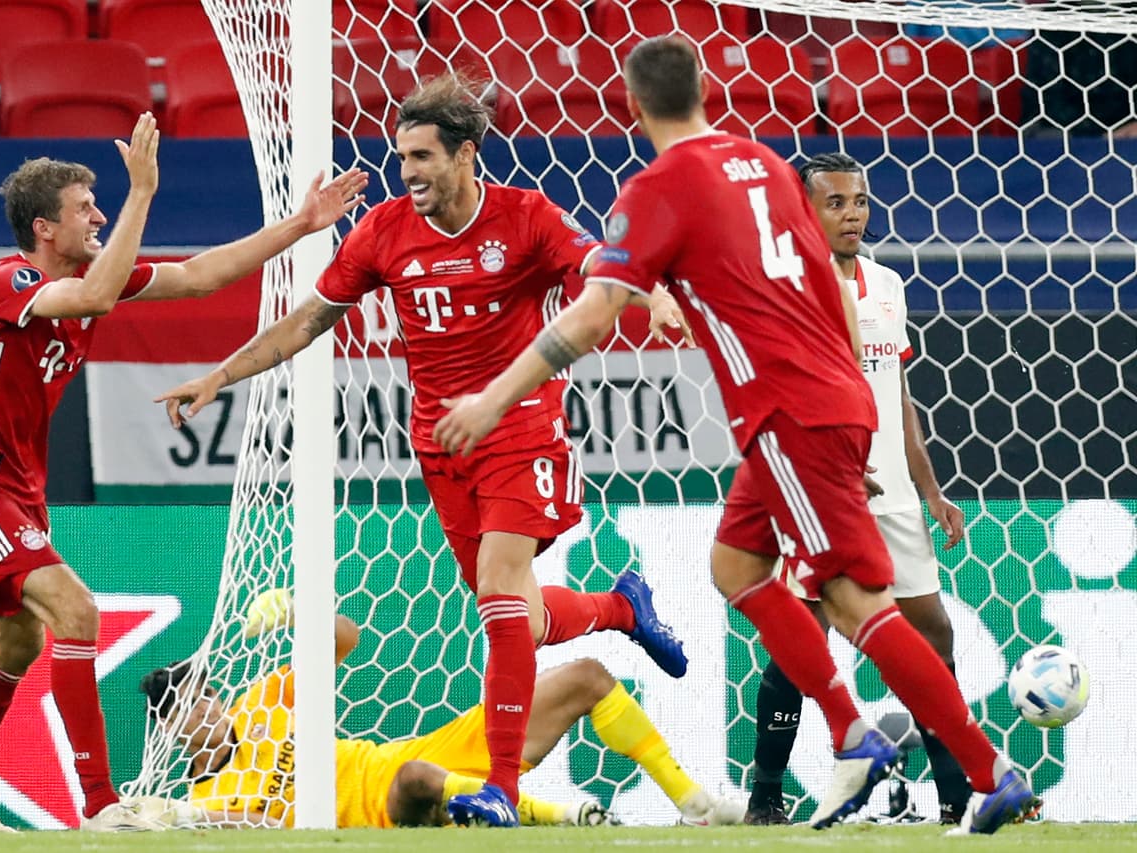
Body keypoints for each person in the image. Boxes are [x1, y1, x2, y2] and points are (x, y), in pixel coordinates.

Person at [431, 36, 1039, 835]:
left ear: (631, 102)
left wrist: (491, 397)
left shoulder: (657, 188)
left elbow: (593, 313)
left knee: (855, 602)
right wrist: (854, 406)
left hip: (791, 410)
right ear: (707, 90)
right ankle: (853, 729)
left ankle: (983, 768)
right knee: (735, 564)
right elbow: (832, 280)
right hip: (829, 399)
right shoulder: (765, 161)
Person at [155, 73, 693, 828]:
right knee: (516, 613)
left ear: (466, 154)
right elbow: (308, 320)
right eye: (400, 157)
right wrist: (220, 375)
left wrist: (655, 295)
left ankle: (500, 790)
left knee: (503, 593)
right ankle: (619, 607)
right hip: (443, 441)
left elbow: (603, 271)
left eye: (421, 157)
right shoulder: (382, 231)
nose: (406, 173)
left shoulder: (525, 217)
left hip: (519, 422)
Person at [0, 111, 369, 833]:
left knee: (17, 642)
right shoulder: (12, 279)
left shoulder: (87, 279)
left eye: (102, 204)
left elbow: (196, 276)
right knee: (78, 612)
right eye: (83, 209)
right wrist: (142, 193)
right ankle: (100, 804)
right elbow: (94, 294)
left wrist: (300, 225)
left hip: (19, 490)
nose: (97, 216)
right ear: (42, 228)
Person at [742, 152, 971, 826]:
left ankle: (959, 797)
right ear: (803, 209)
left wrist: (930, 490)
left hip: (893, 495)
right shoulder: (783, 287)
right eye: (836, 201)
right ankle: (764, 799)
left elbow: (896, 394)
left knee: (933, 633)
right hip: (821, 489)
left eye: (860, 201)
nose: (853, 214)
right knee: (803, 639)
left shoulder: (887, 284)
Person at [138, 608, 743, 829]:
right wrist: (183, 815)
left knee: (586, 676)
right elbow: (241, 827)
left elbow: (346, 638)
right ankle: (562, 818)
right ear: (170, 729)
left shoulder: (261, 706)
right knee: (416, 780)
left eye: (207, 692)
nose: (209, 707)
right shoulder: (209, 796)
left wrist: (298, 612)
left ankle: (693, 805)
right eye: (192, 703)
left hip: (419, 749)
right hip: (389, 807)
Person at [1021, 30, 1137, 138]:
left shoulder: (1130, 20)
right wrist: (1102, 136)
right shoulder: (1050, 27)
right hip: (1059, 129)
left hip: (1127, 129)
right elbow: (1049, 103)